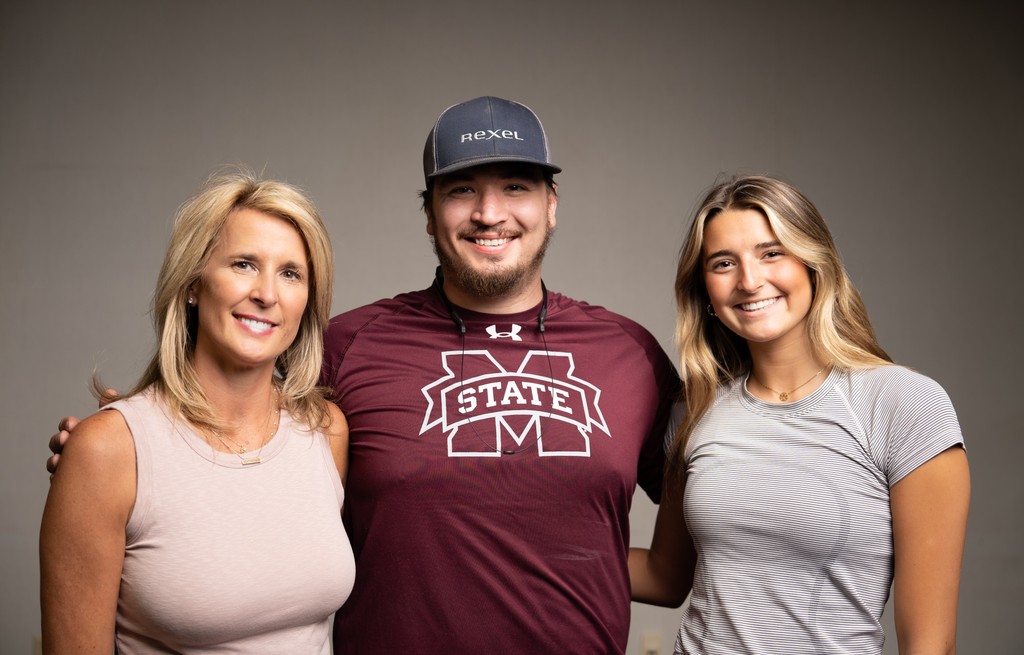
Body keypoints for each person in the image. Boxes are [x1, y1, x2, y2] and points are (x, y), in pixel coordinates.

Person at [47, 97, 679, 653]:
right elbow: (227, 401)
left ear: (552, 204)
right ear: (429, 213)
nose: (490, 212)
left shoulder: (631, 355)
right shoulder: (348, 346)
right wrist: (115, 448)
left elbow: (693, 538)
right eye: (461, 190)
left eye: (516, 186)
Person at [628, 175, 970, 654]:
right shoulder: (693, 408)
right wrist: (513, 548)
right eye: (724, 263)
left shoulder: (906, 405)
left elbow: (931, 645)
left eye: (772, 253)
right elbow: (665, 577)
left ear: (814, 263)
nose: (749, 281)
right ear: (704, 290)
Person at [40, 171, 355, 653]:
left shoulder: (326, 430)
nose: (267, 294)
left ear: (306, 300)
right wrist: (94, 455)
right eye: (244, 264)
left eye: (290, 273)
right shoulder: (110, 451)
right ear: (192, 283)